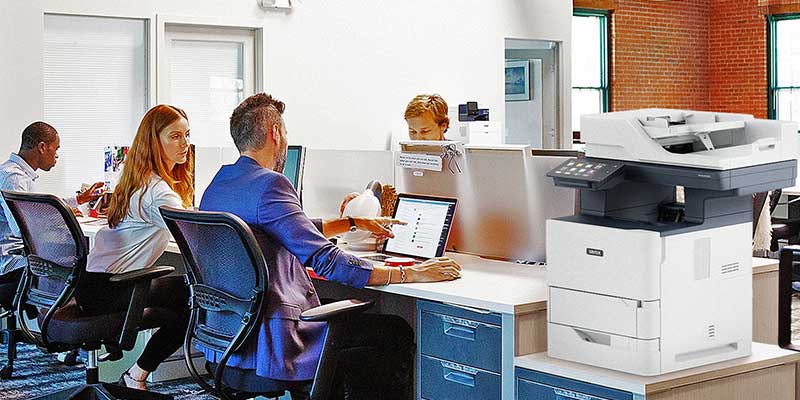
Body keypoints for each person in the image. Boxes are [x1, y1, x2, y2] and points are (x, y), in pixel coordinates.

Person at [199, 93, 462, 394]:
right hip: (276, 344)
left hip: (229, 342)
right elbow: (328, 261)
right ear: (275, 133)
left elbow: (277, 228)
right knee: (394, 331)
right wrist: (410, 273)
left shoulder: (220, 184)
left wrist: (351, 223)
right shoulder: (271, 184)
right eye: (284, 132)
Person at [77, 105, 193, 391]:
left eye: (187, 135)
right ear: (155, 141)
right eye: (175, 136)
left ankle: (136, 374)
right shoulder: (159, 192)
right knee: (194, 296)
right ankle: (137, 374)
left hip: (90, 283)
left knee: (180, 303)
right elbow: (194, 238)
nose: (185, 144)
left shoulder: (135, 180)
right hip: (112, 288)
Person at [0, 122, 105, 277]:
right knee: (85, 267)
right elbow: (21, 227)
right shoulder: (14, 178)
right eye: (56, 149)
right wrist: (61, 216)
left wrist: (79, 199)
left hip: (23, 255)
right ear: (42, 147)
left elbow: (37, 206)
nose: (56, 155)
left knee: (83, 262)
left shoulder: (14, 173)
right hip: (12, 262)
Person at [338, 93, 450, 215]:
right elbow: (391, 197)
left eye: (425, 131)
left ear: (443, 126)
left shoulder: (457, 160)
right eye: (412, 131)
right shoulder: (402, 157)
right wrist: (360, 201)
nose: (418, 138)